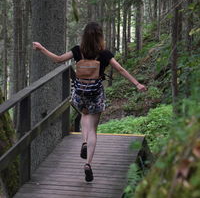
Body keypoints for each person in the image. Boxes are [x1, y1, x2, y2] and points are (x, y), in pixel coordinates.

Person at [32, 21, 147, 182]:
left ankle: (84, 141)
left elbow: (58, 59)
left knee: (84, 117)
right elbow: (120, 69)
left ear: (84, 36)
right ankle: (88, 164)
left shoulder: (77, 51)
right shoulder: (105, 53)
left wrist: (41, 48)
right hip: (95, 94)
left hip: (80, 93)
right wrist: (137, 84)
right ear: (100, 37)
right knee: (93, 128)